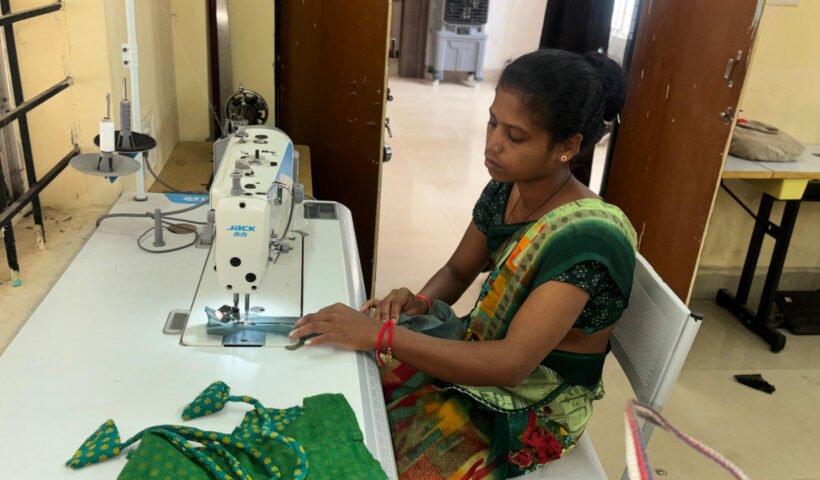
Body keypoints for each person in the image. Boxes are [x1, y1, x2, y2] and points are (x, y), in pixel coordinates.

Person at [289, 49, 637, 479]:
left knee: (373, 452)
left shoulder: (586, 240)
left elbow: (511, 364)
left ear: (568, 146)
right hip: (485, 355)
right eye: (493, 122)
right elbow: (457, 271)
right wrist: (417, 301)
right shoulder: (508, 188)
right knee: (344, 385)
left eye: (515, 136)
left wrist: (383, 336)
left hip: (530, 403)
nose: (493, 144)